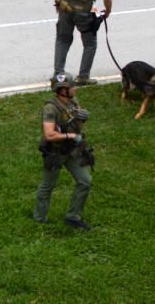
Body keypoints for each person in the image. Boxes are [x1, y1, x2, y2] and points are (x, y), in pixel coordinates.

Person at [34, 72, 93, 230]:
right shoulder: (50, 109)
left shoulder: (73, 102)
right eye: (72, 86)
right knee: (48, 185)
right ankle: (39, 218)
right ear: (63, 90)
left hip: (72, 151)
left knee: (85, 181)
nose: (75, 89)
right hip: (55, 152)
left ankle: (73, 216)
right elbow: (49, 134)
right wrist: (71, 135)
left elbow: (78, 127)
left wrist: (82, 119)